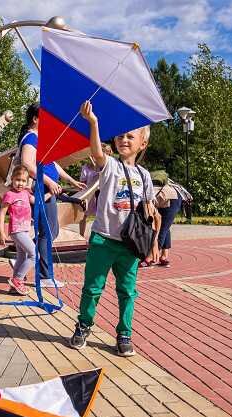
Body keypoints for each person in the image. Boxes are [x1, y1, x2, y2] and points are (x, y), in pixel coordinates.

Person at [69, 100, 159, 357]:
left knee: (128, 292)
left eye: (131, 136)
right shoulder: (110, 166)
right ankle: (84, 325)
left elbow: (150, 212)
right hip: (103, 240)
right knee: (92, 288)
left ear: (142, 143)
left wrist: (153, 243)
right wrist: (94, 123)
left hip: (129, 245)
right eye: (120, 135)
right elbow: (97, 153)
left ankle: (124, 333)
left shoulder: (145, 176)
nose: (124, 139)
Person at [17, 102, 86, 288]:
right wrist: (49, 182)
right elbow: (27, 163)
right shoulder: (31, 138)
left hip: (48, 190)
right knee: (47, 232)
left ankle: (23, 258)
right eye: (45, 118)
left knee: (49, 232)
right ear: (35, 119)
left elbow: (53, 164)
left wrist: (71, 181)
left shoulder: (41, 139)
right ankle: (45, 275)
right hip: (41, 189)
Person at [0, 165, 36, 295]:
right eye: (18, 180)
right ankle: (18, 279)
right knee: (35, 254)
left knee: (22, 256)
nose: (20, 183)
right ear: (12, 179)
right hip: (16, 230)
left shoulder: (26, 193)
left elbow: (37, 201)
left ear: (27, 182)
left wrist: (51, 193)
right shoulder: (9, 195)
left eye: (23, 181)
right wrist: (1, 232)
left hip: (24, 230)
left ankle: (14, 288)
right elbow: (2, 212)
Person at [78, 143, 113, 237]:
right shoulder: (87, 167)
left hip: (101, 194)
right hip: (89, 195)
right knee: (83, 215)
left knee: (102, 215)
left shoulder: (108, 167)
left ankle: (103, 235)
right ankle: (81, 236)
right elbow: (83, 182)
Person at [152, 172, 183, 268]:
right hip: (167, 196)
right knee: (166, 227)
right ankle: (164, 257)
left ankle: (151, 258)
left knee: (162, 228)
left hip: (172, 198)